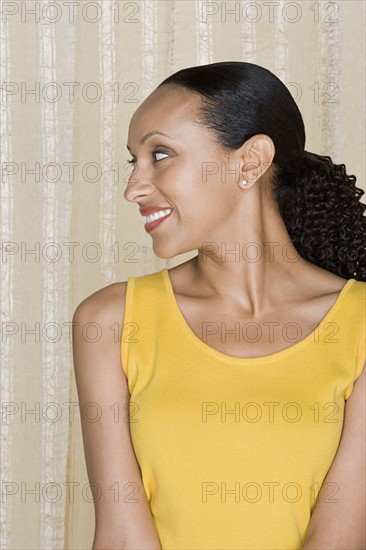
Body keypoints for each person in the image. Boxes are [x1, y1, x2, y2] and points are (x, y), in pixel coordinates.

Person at [72, 62, 366, 550]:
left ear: (250, 162)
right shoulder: (109, 321)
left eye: (160, 154)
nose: (133, 188)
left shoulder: (359, 324)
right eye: (134, 161)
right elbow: (122, 536)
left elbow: (342, 535)